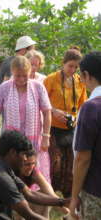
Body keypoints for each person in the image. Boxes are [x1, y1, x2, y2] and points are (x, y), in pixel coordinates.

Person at [0, 130, 69, 220]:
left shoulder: (3, 169)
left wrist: (62, 202)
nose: (26, 159)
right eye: (24, 154)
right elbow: (29, 215)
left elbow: (30, 194)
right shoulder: (1, 178)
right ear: (13, 153)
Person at [0, 56, 52, 189]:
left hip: (33, 140)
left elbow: (47, 112)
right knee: (11, 173)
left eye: (25, 75)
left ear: (30, 72)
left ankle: (36, 200)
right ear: (12, 72)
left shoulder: (38, 87)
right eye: (17, 75)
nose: (21, 79)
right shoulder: (5, 88)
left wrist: (46, 137)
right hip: (12, 141)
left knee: (33, 174)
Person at [43, 47, 87, 198]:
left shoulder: (79, 81)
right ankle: (51, 195)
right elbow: (40, 101)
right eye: (70, 66)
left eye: (76, 67)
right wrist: (54, 111)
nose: (73, 70)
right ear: (63, 63)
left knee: (70, 166)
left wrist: (76, 118)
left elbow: (83, 104)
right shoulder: (51, 79)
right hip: (53, 127)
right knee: (55, 164)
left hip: (72, 128)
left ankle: (68, 198)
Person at [69, 51, 101, 220]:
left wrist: (74, 197)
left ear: (86, 75)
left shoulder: (91, 108)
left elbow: (82, 158)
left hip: (95, 191)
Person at [15, 150, 69, 219]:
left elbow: (51, 195)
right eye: (27, 164)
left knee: (44, 195)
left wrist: (69, 212)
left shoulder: (34, 172)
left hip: (25, 198)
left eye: (33, 163)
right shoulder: (12, 172)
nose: (31, 167)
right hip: (13, 202)